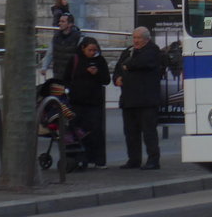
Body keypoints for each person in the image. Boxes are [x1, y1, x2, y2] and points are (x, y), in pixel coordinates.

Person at [113, 26, 162, 169]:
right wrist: (117, 78)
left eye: (139, 38)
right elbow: (118, 68)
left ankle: (153, 160)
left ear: (147, 39)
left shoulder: (152, 50)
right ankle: (133, 159)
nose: (136, 41)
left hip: (146, 100)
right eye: (134, 38)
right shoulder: (128, 51)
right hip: (129, 99)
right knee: (130, 132)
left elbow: (141, 63)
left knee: (149, 132)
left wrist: (127, 66)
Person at [62, 36, 110, 168]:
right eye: (90, 50)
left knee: (95, 130)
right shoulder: (75, 60)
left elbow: (106, 79)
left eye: (94, 50)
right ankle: (77, 158)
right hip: (77, 101)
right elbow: (66, 78)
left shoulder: (99, 61)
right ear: (83, 49)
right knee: (77, 131)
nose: (92, 53)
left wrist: (97, 73)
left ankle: (97, 159)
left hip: (94, 102)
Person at [42, 13, 81, 77]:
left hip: (72, 75)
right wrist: (44, 67)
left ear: (70, 24)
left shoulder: (78, 37)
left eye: (63, 21)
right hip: (58, 73)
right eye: (60, 21)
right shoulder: (56, 37)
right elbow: (50, 53)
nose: (59, 23)